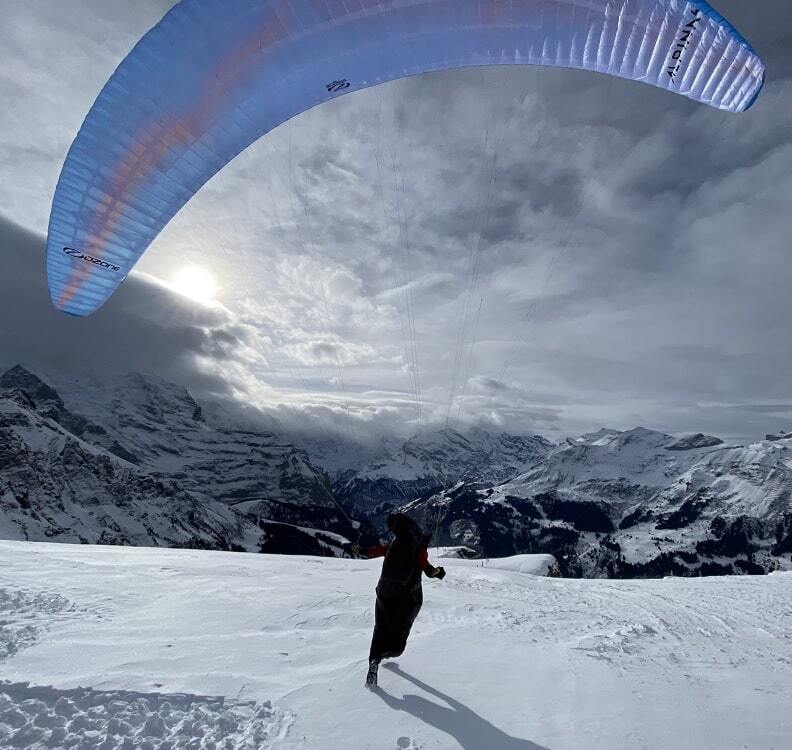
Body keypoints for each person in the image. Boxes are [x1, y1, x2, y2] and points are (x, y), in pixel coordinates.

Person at [345, 512, 445, 687]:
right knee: (398, 641)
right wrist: (439, 572)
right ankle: (386, 653)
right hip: (404, 598)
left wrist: (356, 549)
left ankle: (374, 661)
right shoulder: (418, 547)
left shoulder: (393, 543)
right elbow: (428, 570)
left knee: (380, 627)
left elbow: (369, 552)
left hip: (383, 592)